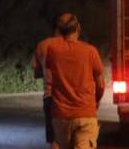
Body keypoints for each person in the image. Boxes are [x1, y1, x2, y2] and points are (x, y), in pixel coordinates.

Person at [44, 13, 104, 149]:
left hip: (61, 117)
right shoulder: (90, 51)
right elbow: (100, 84)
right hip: (86, 115)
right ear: (78, 28)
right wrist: (96, 100)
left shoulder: (52, 51)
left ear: (59, 31)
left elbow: (48, 75)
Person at [32, 22, 61, 149]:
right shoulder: (78, 46)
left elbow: (36, 71)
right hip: (73, 98)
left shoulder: (43, 45)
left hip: (50, 97)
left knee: (54, 140)